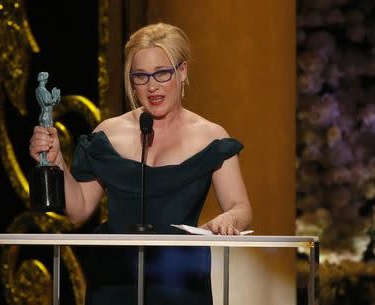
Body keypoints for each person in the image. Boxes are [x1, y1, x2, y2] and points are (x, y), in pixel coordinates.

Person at [29, 23, 252, 305]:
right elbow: (79, 210)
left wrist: (228, 220)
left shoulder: (212, 137)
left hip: (180, 284)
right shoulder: (108, 134)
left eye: (162, 73)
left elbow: (241, 207)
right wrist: (58, 159)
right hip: (114, 281)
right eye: (141, 77)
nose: (152, 86)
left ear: (182, 71)